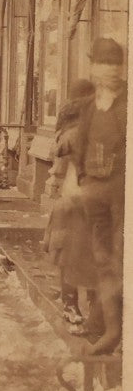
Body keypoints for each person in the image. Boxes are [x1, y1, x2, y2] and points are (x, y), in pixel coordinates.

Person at [75, 37, 127, 355]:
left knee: (119, 258)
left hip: (121, 193)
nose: (107, 71)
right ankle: (108, 328)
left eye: (112, 65)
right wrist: (83, 181)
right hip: (94, 192)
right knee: (102, 260)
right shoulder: (89, 105)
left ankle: (114, 330)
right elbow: (80, 145)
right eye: (101, 65)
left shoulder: (127, 103)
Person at [43, 79, 100, 333]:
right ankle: (81, 306)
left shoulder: (68, 128)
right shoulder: (80, 131)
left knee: (73, 255)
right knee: (86, 254)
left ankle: (73, 305)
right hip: (79, 200)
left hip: (72, 199)